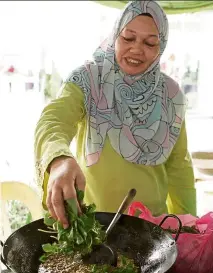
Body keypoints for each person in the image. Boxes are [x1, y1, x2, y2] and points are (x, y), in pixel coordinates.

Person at [34, 0, 196, 229]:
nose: (137, 49)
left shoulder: (171, 95)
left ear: (162, 47)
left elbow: (179, 167)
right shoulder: (89, 80)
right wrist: (59, 159)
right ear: (114, 35)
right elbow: (53, 120)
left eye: (150, 43)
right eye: (128, 38)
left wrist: (189, 228)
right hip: (94, 226)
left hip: (152, 231)